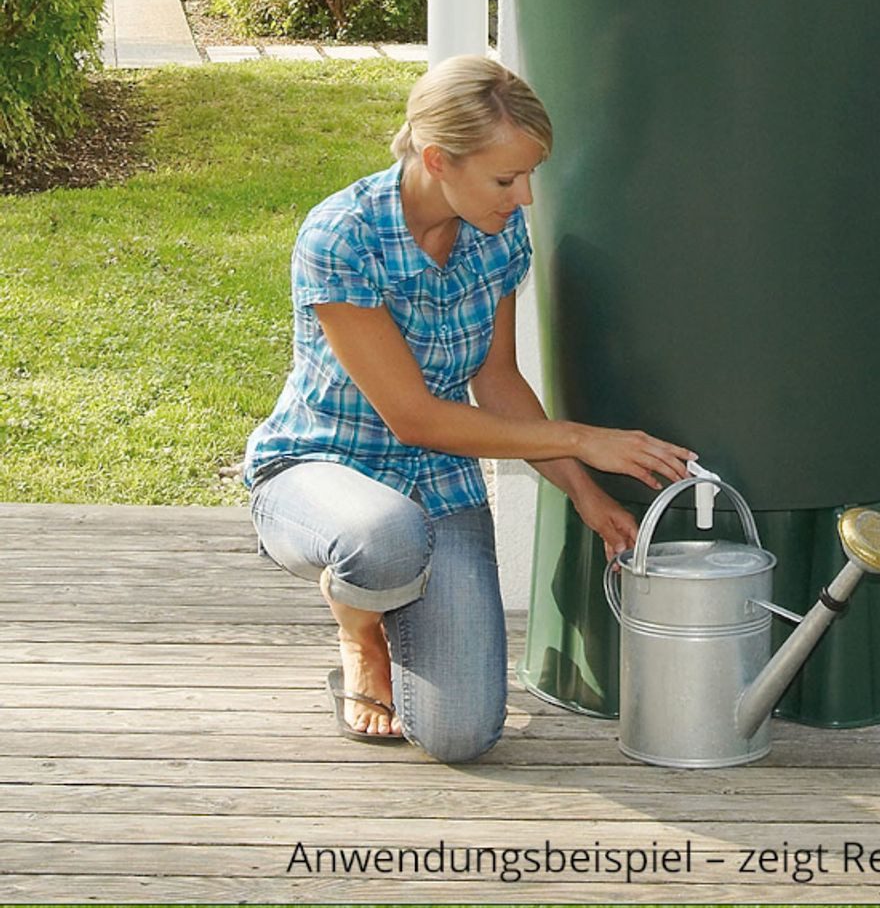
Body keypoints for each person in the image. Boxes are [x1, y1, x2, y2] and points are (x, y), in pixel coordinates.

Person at [243, 55, 694, 760]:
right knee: (384, 537)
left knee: (461, 735)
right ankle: (359, 628)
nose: (526, 199)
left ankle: (390, 596)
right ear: (436, 159)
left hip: (440, 484)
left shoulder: (495, 231)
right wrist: (582, 439)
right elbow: (414, 418)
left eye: (530, 175)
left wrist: (583, 494)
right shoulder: (342, 237)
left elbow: (500, 382)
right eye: (506, 178)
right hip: (322, 469)